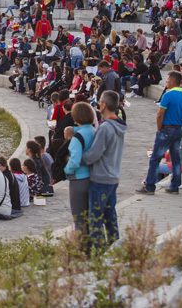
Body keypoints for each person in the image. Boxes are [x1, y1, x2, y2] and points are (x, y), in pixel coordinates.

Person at [81, 91, 126, 250]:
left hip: (100, 178)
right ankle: (115, 248)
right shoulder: (119, 125)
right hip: (113, 176)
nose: (99, 104)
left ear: (104, 105)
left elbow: (94, 154)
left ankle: (101, 253)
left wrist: (80, 158)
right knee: (110, 217)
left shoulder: (105, 127)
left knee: (95, 219)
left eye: (100, 101)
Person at [137, 71, 182, 195]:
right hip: (178, 129)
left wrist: (159, 129)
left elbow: (160, 114)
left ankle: (150, 186)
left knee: (155, 158)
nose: (166, 82)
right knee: (176, 158)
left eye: (167, 80)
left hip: (167, 129)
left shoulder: (168, 95)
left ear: (172, 81)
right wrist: (180, 127)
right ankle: (175, 186)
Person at [65, 102, 96, 239]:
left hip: (78, 178)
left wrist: (67, 170)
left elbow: (75, 161)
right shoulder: (94, 131)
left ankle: (81, 246)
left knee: (78, 217)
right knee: (90, 216)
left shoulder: (78, 137)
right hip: (92, 176)